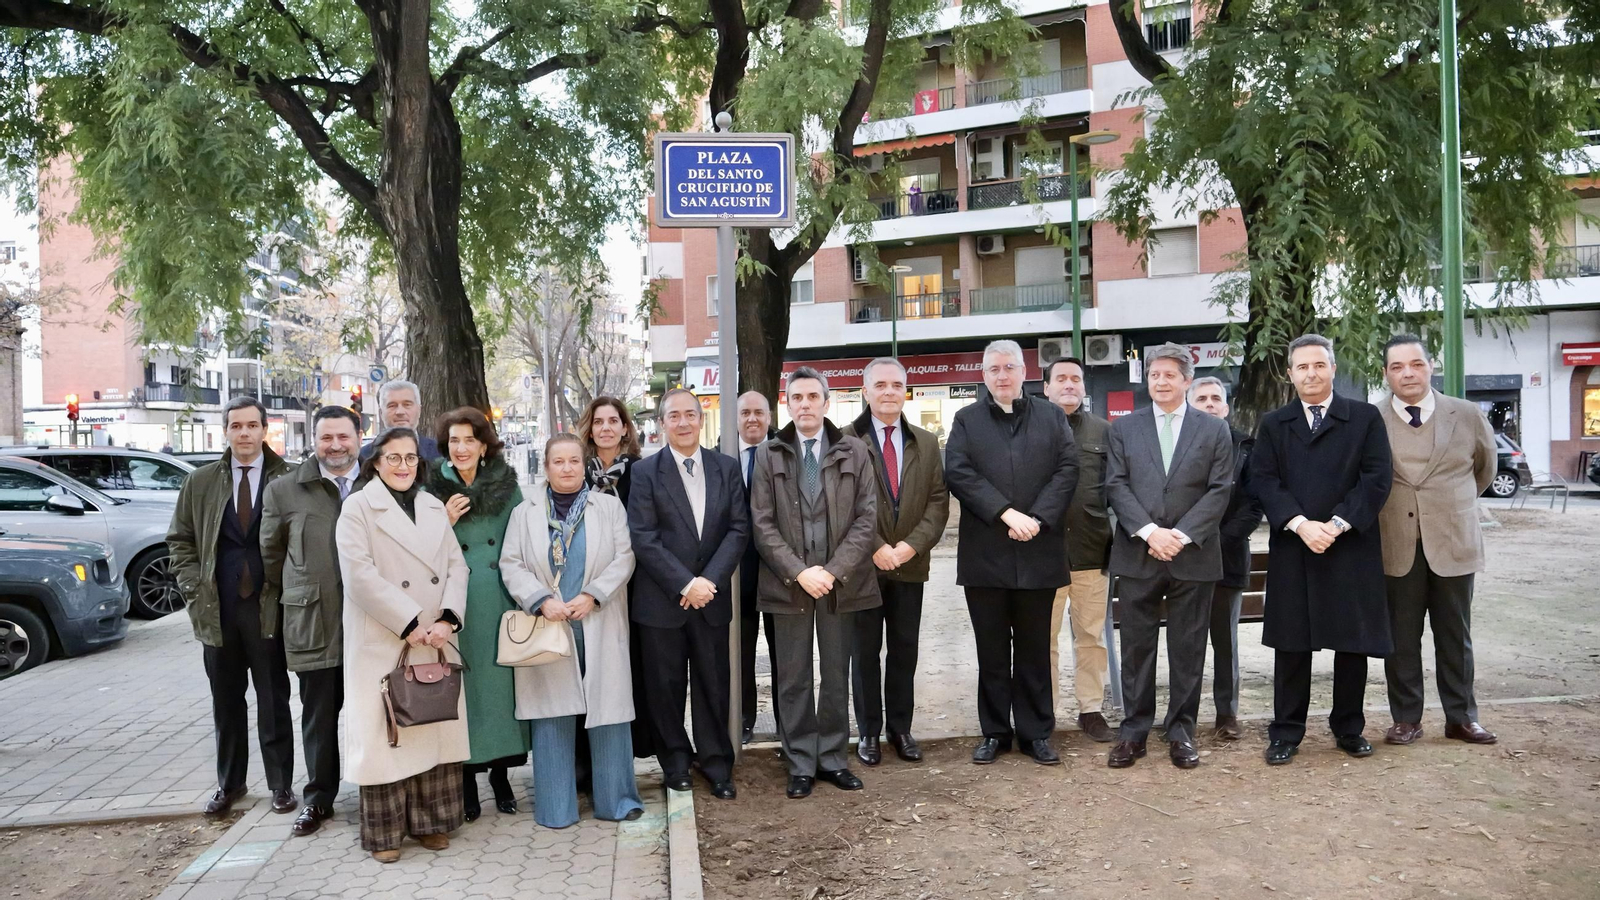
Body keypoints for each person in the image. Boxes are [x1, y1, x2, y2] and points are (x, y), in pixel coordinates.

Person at [1249, 334, 1394, 766]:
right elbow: (1264, 480)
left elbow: (1376, 478)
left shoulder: (1365, 418)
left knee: (1352, 643)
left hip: (1349, 544)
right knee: (1292, 644)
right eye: (1301, 367)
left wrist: (1335, 524)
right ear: (1289, 374)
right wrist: (1299, 524)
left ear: (1332, 368)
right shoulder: (1274, 424)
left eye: (1318, 365)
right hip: (1295, 546)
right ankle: (1286, 732)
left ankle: (1349, 728)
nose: (1310, 373)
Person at [336, 427, 470, 862]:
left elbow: (456, 567)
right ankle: (386, 835)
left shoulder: (432, 505)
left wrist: (449, 619)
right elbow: (358, 575)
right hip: (384, 637)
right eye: (393, 458)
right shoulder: (357, 508)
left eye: (410, 458)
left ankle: (431, 823)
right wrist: (409, 621)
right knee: (387, 734)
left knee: (430, 725)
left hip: (435, 637)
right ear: (376, 462)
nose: (403, 466)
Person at [945, 340, 1079, 766]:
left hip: (1039, 551)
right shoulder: (966, 420)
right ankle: (995, 733)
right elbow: (959, 473)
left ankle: (1036, 733)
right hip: (987, 556)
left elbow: (1067, 468)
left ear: (1025, 372)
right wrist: (1005, 513)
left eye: (1009, 367)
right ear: (983, 375)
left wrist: (1037, 518)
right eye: (992, 369)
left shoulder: (1052, 416)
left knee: (1036, 649)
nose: (1001, 376)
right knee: (991, 651)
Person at [501, 434, 644, 828]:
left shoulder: (609, 507)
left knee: (609, 714)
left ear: (585, 466)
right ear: (545, 467)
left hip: (596, 618)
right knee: (551, 715)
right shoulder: (524, 513)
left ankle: (617, 800)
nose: (567, 468)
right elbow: (511, 564)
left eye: (574, 462)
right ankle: (555, 807)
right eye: (558, 462)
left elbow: (624, 557)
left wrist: (594, 596)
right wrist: (540, 600)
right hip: (549, 622)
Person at [750, 366, 880, 799]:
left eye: (812, 397)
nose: (805, 404)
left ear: (827, 402)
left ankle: (833, 759)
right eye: (797, 398)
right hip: (789, 585)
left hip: (841, 585)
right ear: (787, 405)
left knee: (836, 674)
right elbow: (762, 523)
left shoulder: (854, 450)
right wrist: (799, 571)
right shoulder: (769, 454)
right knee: (793, 677)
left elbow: (866, 518)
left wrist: (833, 570)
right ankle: (801, 762)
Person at [1103, 344, 1234, 770]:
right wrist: (1148, 532)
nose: (1160, 381)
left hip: (1192, 555)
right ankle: (1134, 732)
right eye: (1154, 374)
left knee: (1188, 648)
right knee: (1137, 649)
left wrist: (1179, 535)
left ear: (1186, 381)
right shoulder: (1124, 428)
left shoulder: (1213, 430)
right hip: (1139, 553)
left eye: (1169, 375)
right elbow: (1116, 485)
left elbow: (1220, 490)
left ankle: (1181, 732)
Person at [167, 396, 297, 819]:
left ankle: (280, 785)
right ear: (225, 430)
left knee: (273, 700)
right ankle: (231, 783)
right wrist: (190, 583)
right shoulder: (201, 481)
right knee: (226, 701)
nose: (244, 433)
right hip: (217, 608)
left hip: (267, 607)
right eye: (236, 426)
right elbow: (180, 539)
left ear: (265, 430)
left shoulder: (287, 479)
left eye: (252, 426)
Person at [626, 389, 749, 799]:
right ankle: (675, 764)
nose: (682, 422)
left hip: (710, 600)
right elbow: (643, 538)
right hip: (662, 602)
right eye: (673, 416)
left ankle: (717, 765)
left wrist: (707, 582)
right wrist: (685, 583)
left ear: (701, 419)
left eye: (689, 415)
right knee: (666, 688)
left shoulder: (726, 468)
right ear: (662, 424)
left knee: (714, 685)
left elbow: (738, 528)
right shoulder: (644, 473)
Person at [1377, 335, 1499, 746]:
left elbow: (1484, 469)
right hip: (1396, 543)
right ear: (1386, 374)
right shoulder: (1371, 419)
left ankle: (1461, 717)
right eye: (1397, 366)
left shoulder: (1464, 414)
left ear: (1431, 366)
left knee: (1455, 636)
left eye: (1416, 364)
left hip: (1453, 542)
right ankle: (1406, 718)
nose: (1407, 372)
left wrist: (1448, 507)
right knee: (1401, 638)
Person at [842, 358, 949, 766]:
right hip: (863, 568)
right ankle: (868, 732)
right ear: (865, 391)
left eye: (896, 385)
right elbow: (842, 504)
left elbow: (938, 501)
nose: (889, 392)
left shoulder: (925, 441)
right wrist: (874, 547)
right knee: (864, 652)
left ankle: (900, 729)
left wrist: (910, 546)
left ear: (907, 390)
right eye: (880, 385)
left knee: (905, 649)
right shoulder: (847, 439)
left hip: (910, 564)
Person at [259, 406, 361, 836]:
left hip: (372, 625)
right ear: (314, 441)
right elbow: (270, 556)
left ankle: (380, 791)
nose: (335, 446)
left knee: (376, 712)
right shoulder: (283, 491)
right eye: (326, 438)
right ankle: (319, 799)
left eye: (343, 437)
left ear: (359, 436)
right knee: (319, 716)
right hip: (315, 621)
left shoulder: (380, 482)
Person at [426, 407, 530, 821]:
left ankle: (502, 777)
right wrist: (444, 522)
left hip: (499, 598)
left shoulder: (507, 486)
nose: (462, 447)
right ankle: (466, 781)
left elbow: (523, 539)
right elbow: (418, 550)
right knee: (462, 692)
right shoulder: (430, 488)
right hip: (454, 601)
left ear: (484, 445)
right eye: (454, 440)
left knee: (500, 691)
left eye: (470, 439)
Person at [1040, 356, 1116, 743]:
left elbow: (1117, 490)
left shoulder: (1104, 433)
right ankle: (1045, 713)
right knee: (1043, 640)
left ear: (1084, 387)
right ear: (1046, 387)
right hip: (1044, 555)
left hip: (1091, 552)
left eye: (1076, 379)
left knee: (1091, 638)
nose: (1069, 384)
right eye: (1061, 379)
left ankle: (1091, 709)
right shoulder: (1032, 429)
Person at [1187, 376, 1264, 741]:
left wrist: (1214, 540)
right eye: (1201, 398)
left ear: (1226, 406)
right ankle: (1182, 714)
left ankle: (1226, 714)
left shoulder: (1246, 448)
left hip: (1227, 559)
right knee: (1187, 643)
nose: (1209, 404)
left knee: (1225, 643)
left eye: (1216, 398)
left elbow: (1253, 506)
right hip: (1182, 560)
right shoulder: (1176, 445)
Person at [578, 396, 654, 761]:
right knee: (593, 666)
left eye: (613, 421)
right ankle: (591, 753)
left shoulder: (643, 471)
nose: (605, 428)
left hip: (637, 582)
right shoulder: (576, 473)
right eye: (598, 421)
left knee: (636, 665)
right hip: (589, 584)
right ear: (589, 429)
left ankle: (635, 748)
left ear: (625, 428)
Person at [735, 390, 778, 743]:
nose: (752, 419)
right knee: (741, 653)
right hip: (738, 576)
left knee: (785, 655)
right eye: (745, 412)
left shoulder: (784, 453)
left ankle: (787, 720)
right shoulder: (719, 457)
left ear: (769, 416)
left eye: (759, 412)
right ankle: (744, 720)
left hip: (780, 573)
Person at [360, 380, 441, 462]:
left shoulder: (440, 452)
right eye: (392, 406)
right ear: (381, 413)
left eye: (407, 405)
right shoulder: (363, 456)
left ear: (419, 410)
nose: (400, 412)